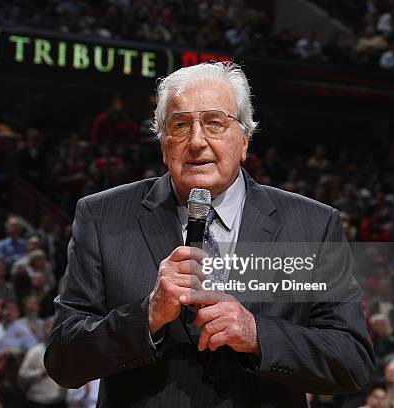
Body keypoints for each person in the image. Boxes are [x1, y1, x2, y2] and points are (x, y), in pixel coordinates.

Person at [44, 62, 375, 407]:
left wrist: (257, 335)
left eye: (215, 123)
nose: (197, 141)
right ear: (163, 144)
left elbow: (352, 362)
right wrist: (149, 315)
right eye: (180, 125)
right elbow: (63, 360)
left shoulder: (311, 226)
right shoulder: (103, 217)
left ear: (245, 139)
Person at [19, 317, 67, 408]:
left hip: (60, 403)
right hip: (37, 402)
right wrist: (41, 373)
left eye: (55, 326)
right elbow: (22, 376)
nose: (52, 330)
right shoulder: (34, 352)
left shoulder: (66, 352)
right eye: (48, 326)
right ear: (43, 330)